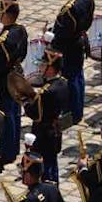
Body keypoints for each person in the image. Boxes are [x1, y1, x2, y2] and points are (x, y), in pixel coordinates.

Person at [51, 0, 95, 125]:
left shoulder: (70, 8)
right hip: (80, 41)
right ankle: (78, 110)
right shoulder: (88, 0)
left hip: (69, 45)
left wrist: (51, 38)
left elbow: (62, 31)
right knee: (79, 76)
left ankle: (74, 111)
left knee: (71, 78)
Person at [0, 0, 28, 167]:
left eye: (1, 12)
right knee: (15, 112)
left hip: (3, 79)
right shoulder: (21, 30)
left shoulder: (4, 40)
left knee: (6, 114)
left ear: (7, 15)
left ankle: (7, 151)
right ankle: (14, 148)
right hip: (16, 73)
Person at [22, 49, 70, 182]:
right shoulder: (64, 83)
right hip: (56, 129)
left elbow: (35, 114)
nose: (40, 67)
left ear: (50, 68)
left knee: (44, 166)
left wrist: (25, 103)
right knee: (53, 162)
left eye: (43, 65)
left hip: (43, 133)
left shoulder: (46, 92)